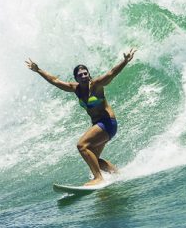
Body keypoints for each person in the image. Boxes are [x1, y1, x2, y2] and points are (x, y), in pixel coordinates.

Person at [25, 49, 137, 186]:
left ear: (89, 75)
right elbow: (55, 80)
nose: (84, 76)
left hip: (108, 123)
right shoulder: (76, 89)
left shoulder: (96, 85)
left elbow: (112, 73)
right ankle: (118, 175)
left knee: (82, 145)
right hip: (98, 125)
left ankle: (98, 178)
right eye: (80, 75)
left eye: (86, 73)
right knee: (94, 158)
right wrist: (38, 70)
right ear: (76, 78)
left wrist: (125, 61)